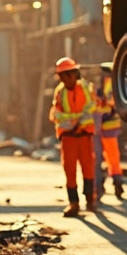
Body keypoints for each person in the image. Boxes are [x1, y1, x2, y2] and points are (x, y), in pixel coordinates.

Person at [49, 57, 97, 217]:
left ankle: (90, 200)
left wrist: (76, 121)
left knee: (88, 168)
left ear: (75, 74)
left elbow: (91, 108)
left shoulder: (85, 88)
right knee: (69, 170)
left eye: (70, 74)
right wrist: (75, 120)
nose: (67, 78)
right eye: (63, 76)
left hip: (84, 135)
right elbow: (57, 114)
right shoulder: (60, 92)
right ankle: (73, 203)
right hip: (68, 136)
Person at [93, 63, 126, 200]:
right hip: (103, 126)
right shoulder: (113, 84)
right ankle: (113, 183)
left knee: (102, 158)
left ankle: (107, 184)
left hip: (104, 125)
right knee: (111, 158)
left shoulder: (107, 84)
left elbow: (111, 102)